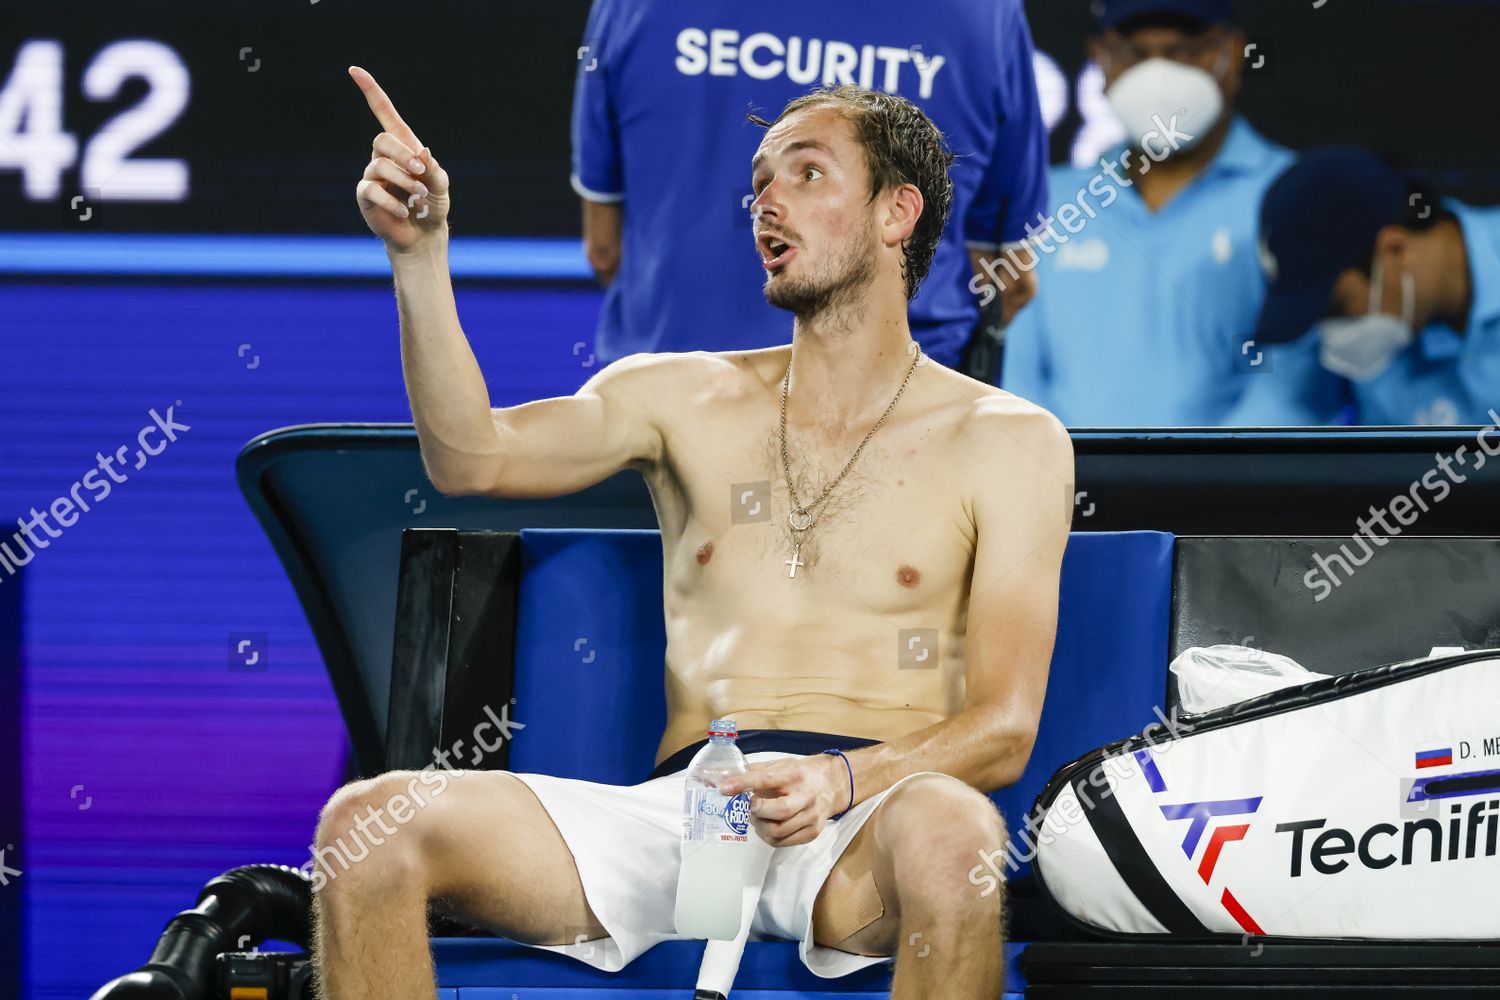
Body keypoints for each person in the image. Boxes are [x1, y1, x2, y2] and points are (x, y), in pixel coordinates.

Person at [332, 67, 1072, 1000]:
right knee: (371, 826)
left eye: (806, 174)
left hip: (864, 828)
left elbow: (1003, 731)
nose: (767, 202)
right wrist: (420, 254)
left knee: (956, 837)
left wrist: (840, 782)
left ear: (897, 214)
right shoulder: (676, 394)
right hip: (687, 820)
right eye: (759, 182)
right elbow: (470, 460)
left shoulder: (1011, 441)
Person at [570, 0, 1051, 374]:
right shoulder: (984, 13)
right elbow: (1006, 275)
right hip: (897, 428)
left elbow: (605, 249)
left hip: (666, 406)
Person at [1000, 0, 1322, 426]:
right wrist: (1065, 479)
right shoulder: (1046, 200)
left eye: (1184, 51)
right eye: (1134, 51)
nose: (1157, 74)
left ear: (1233, 52)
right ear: (1100, 57)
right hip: (1063, 485)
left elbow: (1292, 387)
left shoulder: (1296, 197)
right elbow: (1012, 375)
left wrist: (1209, 485)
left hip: (1243, 487)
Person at [1250, 146, 1500, 425]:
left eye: (1338, 309)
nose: (1331, 339)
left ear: (1395, 251)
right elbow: (1269, 415)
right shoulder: (1372, 364)